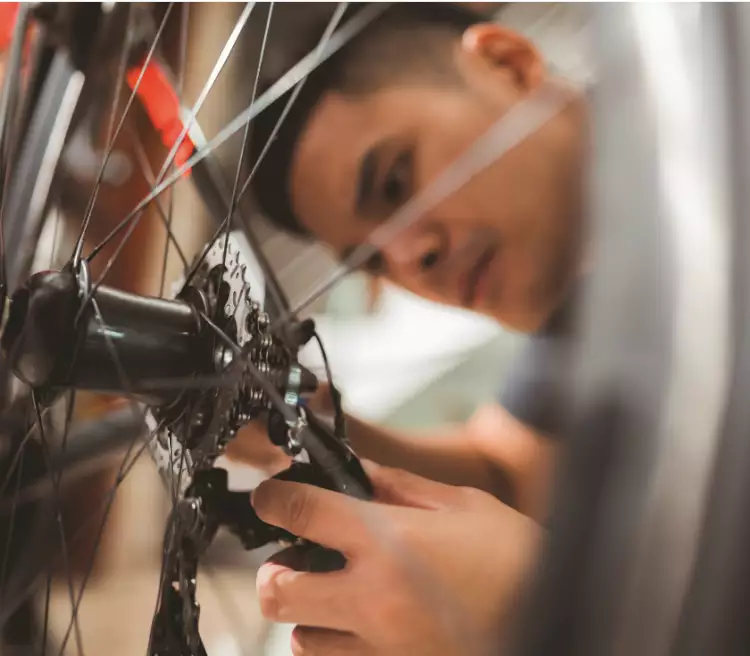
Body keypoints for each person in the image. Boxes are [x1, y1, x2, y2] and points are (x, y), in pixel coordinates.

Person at [235, 4, 588, 654]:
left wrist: (551, 614)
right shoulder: (585, 307)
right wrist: (325, 420)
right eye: (370, 259)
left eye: (395, 180)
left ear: (507, 64)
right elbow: (514, 473)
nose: (408, 262)